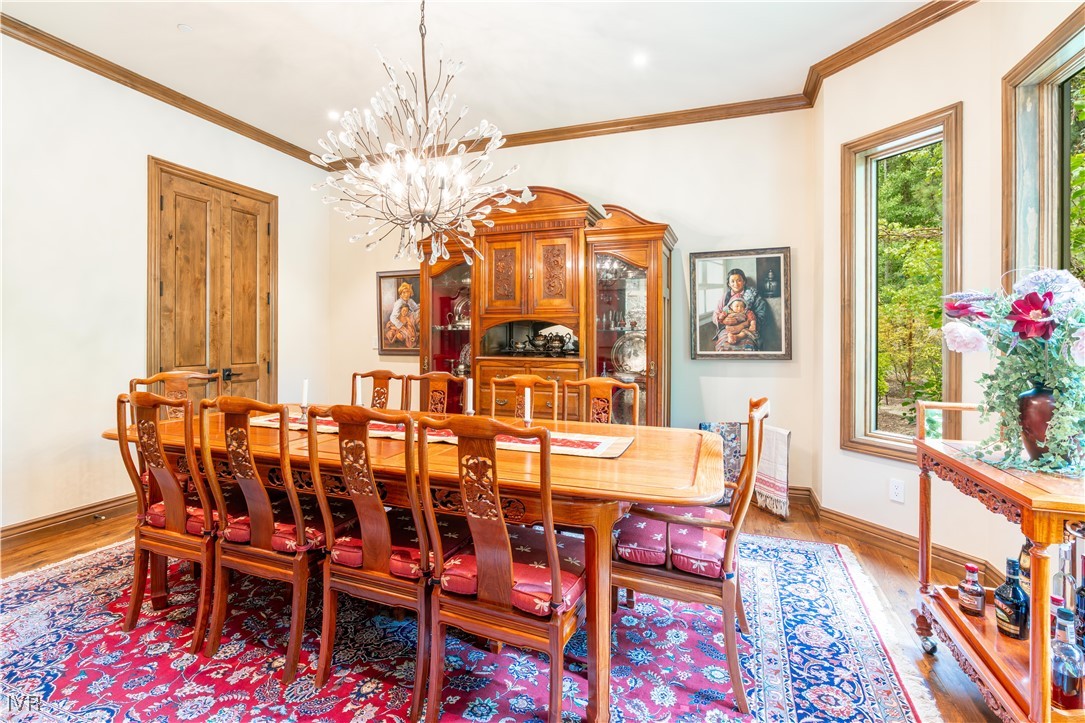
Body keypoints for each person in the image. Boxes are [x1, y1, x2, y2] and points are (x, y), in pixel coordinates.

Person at [713, 268, 768, 352]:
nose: (736, 284)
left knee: (747, 348)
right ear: (729, 284)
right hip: (728, 329)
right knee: (724, 347)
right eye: (732, 281)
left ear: (744, 281)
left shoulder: (754, 295)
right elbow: (716, 314)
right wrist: (724, 320)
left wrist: (744, 325)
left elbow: (762, 316)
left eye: (739, 280)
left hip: (747, 330)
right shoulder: (725, 297)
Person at [384, 282, 420, 348]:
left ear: (410, 293)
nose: (406, 294)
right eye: (404, 292)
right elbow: (393, 317)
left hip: (408, 320)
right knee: (406, 334)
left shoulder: (410, 301)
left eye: (407, 292)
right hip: (400, 322)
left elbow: (416, 308)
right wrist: (401, 326)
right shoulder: (399, 303)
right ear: (401, 294)